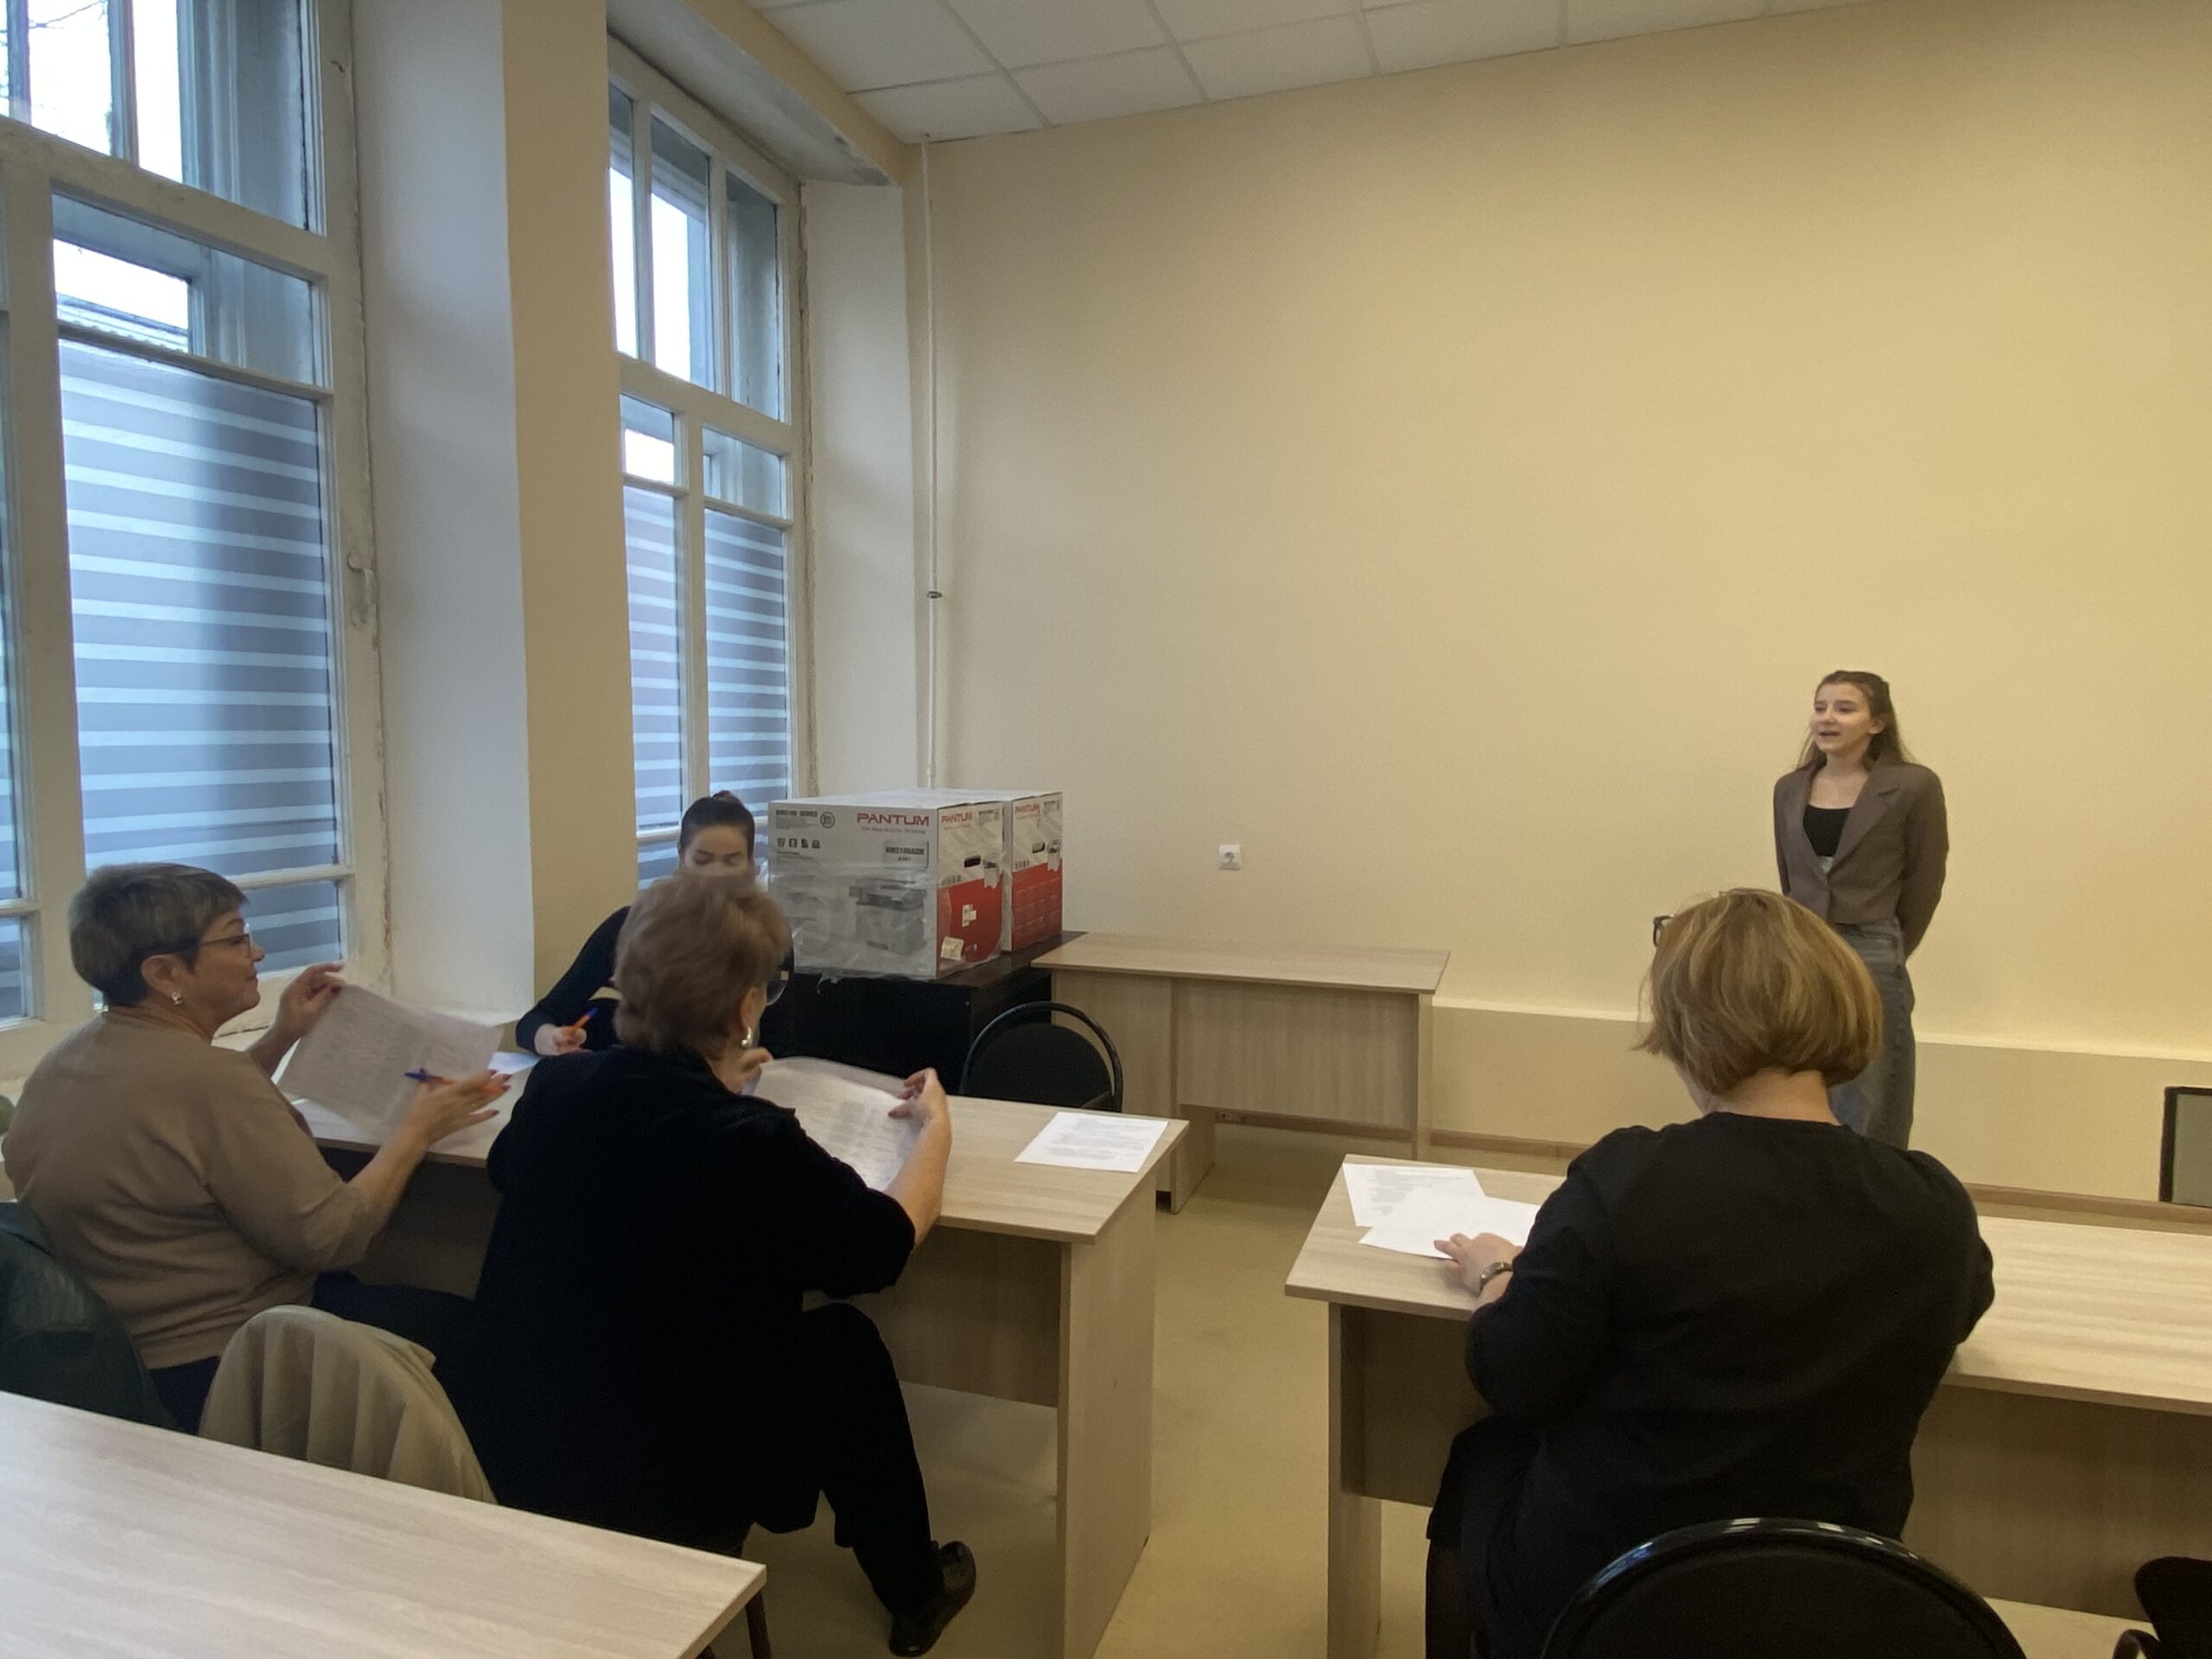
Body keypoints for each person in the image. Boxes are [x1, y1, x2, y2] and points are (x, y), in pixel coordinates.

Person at [1424, 889, 1992, 1659]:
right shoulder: (1935, 1207)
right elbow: (1955, 1313)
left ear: (1688, 1025)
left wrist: (1500, 1272)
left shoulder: (1626, 1180)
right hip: (1831, 1600)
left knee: (1482, 1457)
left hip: (1613, 1599)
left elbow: (1515, 1377)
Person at [449, 874, 977, 1656]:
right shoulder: (752, 1141)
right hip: (667, 1479)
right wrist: (935, 1132)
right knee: (844, 1349)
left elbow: (508, 1168)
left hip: (518, 1445)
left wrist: (707, 1080)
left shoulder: (558, 1088)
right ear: (742, 1010)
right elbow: (883, 1245)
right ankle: (916, 1591)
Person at [3, 863, 505, 1432]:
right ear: (165, 972)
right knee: (487, 1337)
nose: (258, 954)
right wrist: (415, 1133)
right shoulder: (210, 1081)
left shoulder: (69, 1060)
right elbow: (335, 1238)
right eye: (236, 940)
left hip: (132, 1358)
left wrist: (282, 1034)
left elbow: (181, 1119)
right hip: (231, 1360)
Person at [1772, 669, 1947, 1147]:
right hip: (1803, 945)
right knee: (1803, 1069)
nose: (1827, 718)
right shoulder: (1790, 787)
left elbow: (1925, 880)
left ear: (1877, 723)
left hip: (1872, 943)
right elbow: (1791, 874)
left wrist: (1891, 946)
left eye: (1844, 708)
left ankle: (1872, 1176)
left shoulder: (1912, 786)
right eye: (1820, 707)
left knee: (1871, 1083)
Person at [514, 790, 758, 1057]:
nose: (716, 874)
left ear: (750, 863)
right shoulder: (634, 928)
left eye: (731, 861)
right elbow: (534, 1021)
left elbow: (777, 1045)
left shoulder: (765, 939)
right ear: (681, 856)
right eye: (702, 860)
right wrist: (551, 1038)